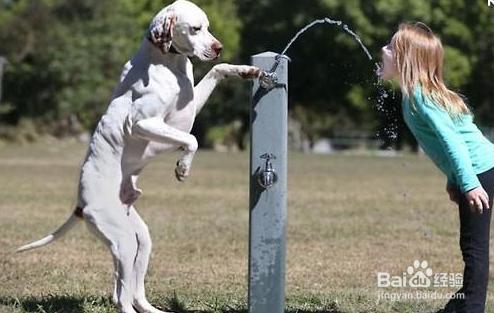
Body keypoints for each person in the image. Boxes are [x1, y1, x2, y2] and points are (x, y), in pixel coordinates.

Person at [379, 22, 494, 313]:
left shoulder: (419, 97)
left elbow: (453, 142)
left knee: (475, 250)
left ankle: (471, 309)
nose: (384, 49)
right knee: (472, 248)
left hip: (481, 173)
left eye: (391, 47)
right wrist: (454, 181)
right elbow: (454, 144)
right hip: (481, 169)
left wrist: (468, 183)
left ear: (406, 58)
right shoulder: (415, 95)